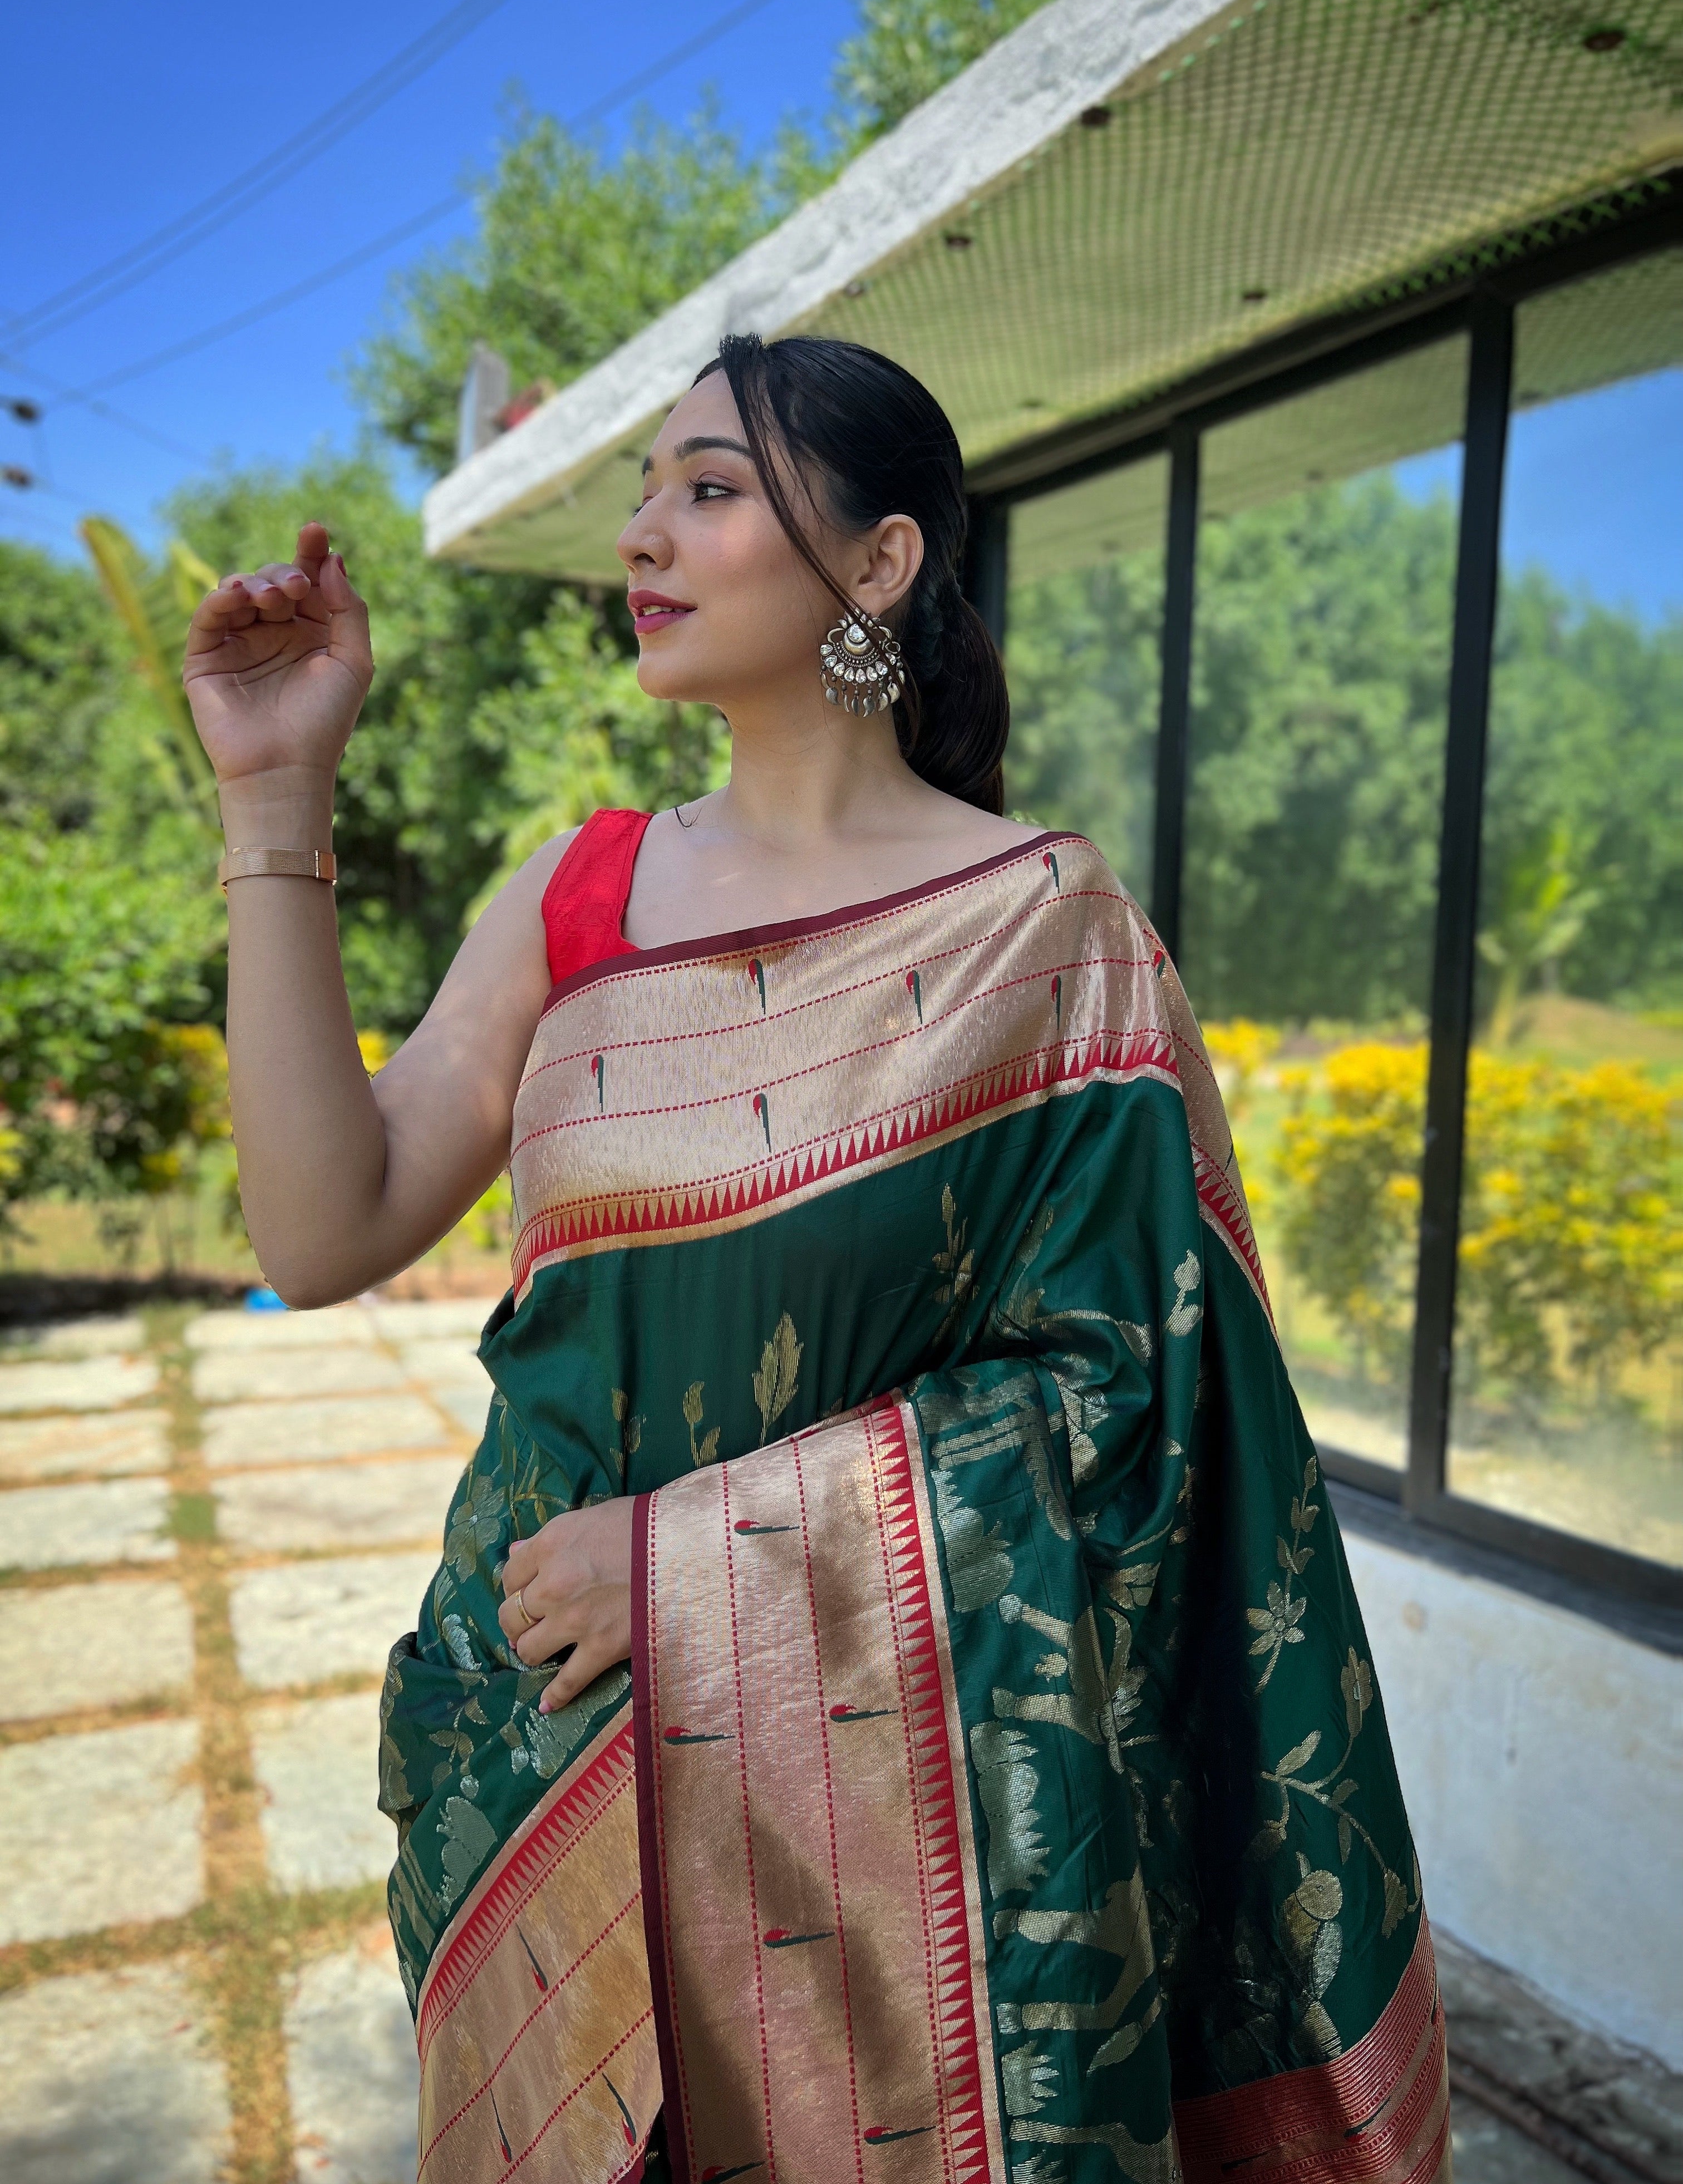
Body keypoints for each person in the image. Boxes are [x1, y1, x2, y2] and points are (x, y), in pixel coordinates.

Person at [184, 334, 1449, 2184]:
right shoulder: (582, 900)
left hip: (903, 1860)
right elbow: (320, 1227)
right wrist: (273, 805)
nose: (645, 538)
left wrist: (695, 1569)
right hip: (555, 1776)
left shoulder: (1048, 933)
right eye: (646, 495)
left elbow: (1135, 1417)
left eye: (708, 490)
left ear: (881, 562)